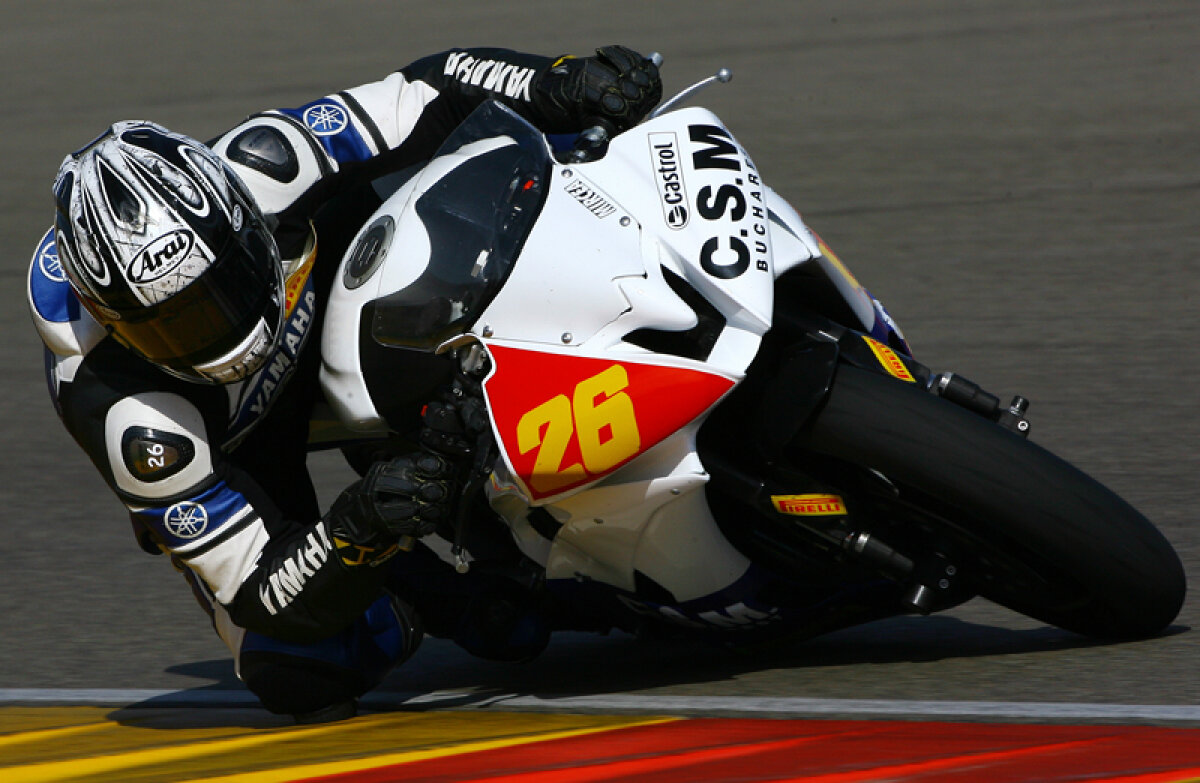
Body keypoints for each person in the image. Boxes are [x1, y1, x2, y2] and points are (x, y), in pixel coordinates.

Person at [27, 46, 662, 722]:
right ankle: (434, 589)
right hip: (249, 450)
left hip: (366, 298)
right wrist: (364, 523)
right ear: (114, 323)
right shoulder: (128, 416)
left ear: (240, 217)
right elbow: (258, 591)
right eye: (176, 326)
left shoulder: (267, 162)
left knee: (538, 134)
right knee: (296, 666)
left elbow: (428, 89)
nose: (220, 328)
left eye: (226, 285)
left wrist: (557, 78)